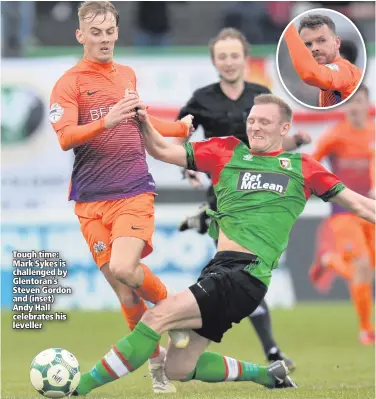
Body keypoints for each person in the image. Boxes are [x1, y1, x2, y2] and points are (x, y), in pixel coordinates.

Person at [72, 93, 375, 395]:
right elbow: (163, 151)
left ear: (284, 129)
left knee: (155, 317)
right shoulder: (227, 150)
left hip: (247, 275)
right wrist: (143, 122)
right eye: (252, 120)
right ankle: (267, 375)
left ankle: (77, 388)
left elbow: (362, 205)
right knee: (178, 368)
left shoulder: (302, 167)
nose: (255, 127)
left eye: (265, 122)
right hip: (220, 270)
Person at [49, 1, 192, 393]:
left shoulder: (127, 74)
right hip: (90, 200)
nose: (105, 39)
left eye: (110, 31)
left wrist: (179, 128)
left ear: (117, 31)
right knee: (123, 288)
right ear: (81, 35)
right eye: (96, 33)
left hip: (132, 190)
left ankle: (175, 311)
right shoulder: (69, 83)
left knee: (126, 268)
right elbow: (64, 138)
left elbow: (141, 119)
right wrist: (104, 120)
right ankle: (157, 364)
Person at [176, 28, 312, 371]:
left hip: (265, 192)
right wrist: (187, 169)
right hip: (225, 193)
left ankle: (201, 223)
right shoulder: (201, 99)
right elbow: (181, 138)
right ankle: (271, 353)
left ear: (244, 57)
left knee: (246, 275)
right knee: (241, 275)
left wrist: (293, 142)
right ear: (214, 61)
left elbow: (274, 144)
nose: (229, 62)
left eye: (234, 55)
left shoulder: (261, 94)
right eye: (222, 56)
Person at [308, 85, 375, 344]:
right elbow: (311, 164)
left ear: (368, 104)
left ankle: (331, 260)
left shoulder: (373, 133)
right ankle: (366, 330)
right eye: (351, 102)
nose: (355, 107)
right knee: (362, 264)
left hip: (371, 211)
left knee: (367, 271)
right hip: (343, 211)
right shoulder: (334, 136)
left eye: (360, 102)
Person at [284, 14, 362, 107]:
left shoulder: (344, 70)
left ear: (337, 42)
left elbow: (311, 74)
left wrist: (288, 29)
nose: (314, 48)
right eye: (308, 44)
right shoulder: (326, 81)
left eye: (321, 40)